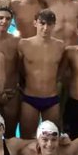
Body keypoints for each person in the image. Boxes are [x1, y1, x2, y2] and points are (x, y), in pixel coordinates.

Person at [17, 9, 65, 137]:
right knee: (26, 140)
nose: (45, 28)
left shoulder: (60, 46)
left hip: (52, 99)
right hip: (29, 98)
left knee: (52, 140)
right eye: (42, 23)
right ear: (35, 23)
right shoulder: (24, 44)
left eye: (49, 24)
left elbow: (60, 70)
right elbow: (18, 69)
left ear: (54, 25)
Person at [0, 6, 22, 137]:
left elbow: (21, 67)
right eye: (0, 18)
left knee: (10, 135)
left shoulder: (17, 41)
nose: (4, 21)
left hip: (11, 94)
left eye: (8, 19)